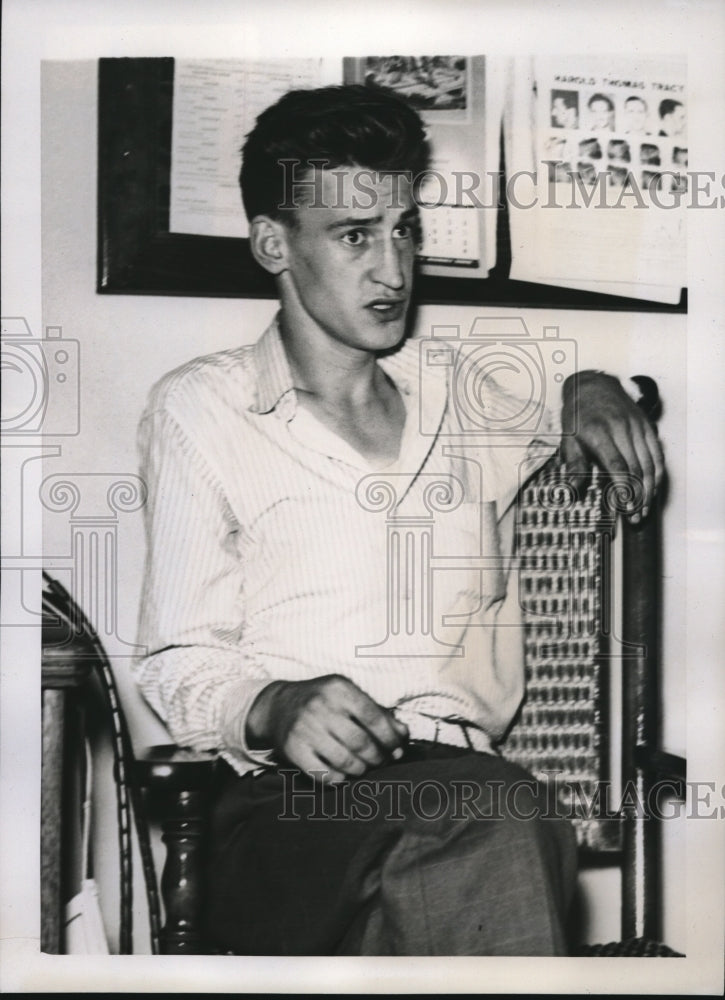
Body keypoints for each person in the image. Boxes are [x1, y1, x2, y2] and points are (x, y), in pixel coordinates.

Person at [134, 84, 664, 956]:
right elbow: (175, 659)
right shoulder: (201, 410)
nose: (392, 268)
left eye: (403, 228)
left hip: (461, 784)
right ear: (274, 243)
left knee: (481, 836)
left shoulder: (469, 391)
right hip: (290, 805)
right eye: (354, 236)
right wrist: (271, 704)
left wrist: (591, 387)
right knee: (499, 827)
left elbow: (577, 388)